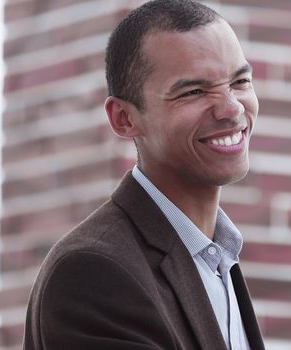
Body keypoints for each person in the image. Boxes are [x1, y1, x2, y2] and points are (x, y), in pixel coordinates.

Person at [23, 0, 263, 349]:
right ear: (124, 118)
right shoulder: (93, 271)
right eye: (194, 91)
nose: (231, 108)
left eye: (240, 81)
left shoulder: (218, 259)